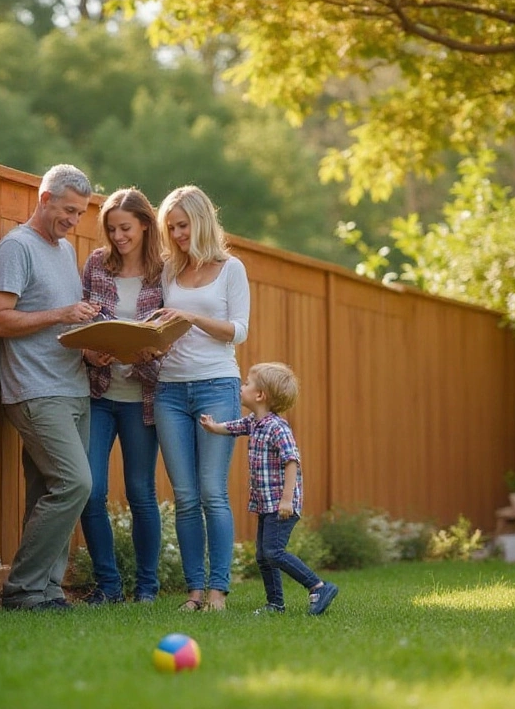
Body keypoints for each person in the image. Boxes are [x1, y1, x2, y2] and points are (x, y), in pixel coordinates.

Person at [0, 164, 100, 611]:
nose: (74, 220)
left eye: (81, 213)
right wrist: (61, 315)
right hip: (34, 390)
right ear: (44, 198)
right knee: (75, 484)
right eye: (68, 210)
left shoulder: (66, 251)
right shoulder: (17, 247)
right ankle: (21, 589)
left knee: (47, 493)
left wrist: (93, 349)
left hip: (74, 387)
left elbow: (64, 322)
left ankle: (47, 591)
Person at [148, 185, 250, 612]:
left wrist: (190, 316)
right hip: (170, 390)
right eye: (170, 228)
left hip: (216, 386)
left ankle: (218, 592)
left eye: (182, 225)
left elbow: (238, 330)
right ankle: (193, 592)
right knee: (185, 497)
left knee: (212, 492)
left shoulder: (231, 269)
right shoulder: (169, 271)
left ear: (202, 220)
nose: (176, 234)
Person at [77, 188, 166, 604]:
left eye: (125, 228)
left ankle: (147, 586)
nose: (118, 237)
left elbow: (173, 332)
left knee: (140, 493)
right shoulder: (97, 265)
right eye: (111, 229)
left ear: (145, 225)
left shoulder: (165, 272)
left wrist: (154, 349)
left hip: (142, 397)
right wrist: (90, 351)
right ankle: (108, 585)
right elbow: (82, 320)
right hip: (99, 393)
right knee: (90, 490)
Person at [200, 362, 339, 616]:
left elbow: (292, 461)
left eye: (247, 383)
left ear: (260, 395)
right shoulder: (255, 422)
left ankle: (319, 585)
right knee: (264, 556)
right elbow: (233, 428)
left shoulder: (278, 427)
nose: (242, 387)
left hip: (281, 504)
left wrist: (287, 500)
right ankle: (275, 604)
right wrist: (213, 427)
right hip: (266, 503)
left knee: (274, 552)